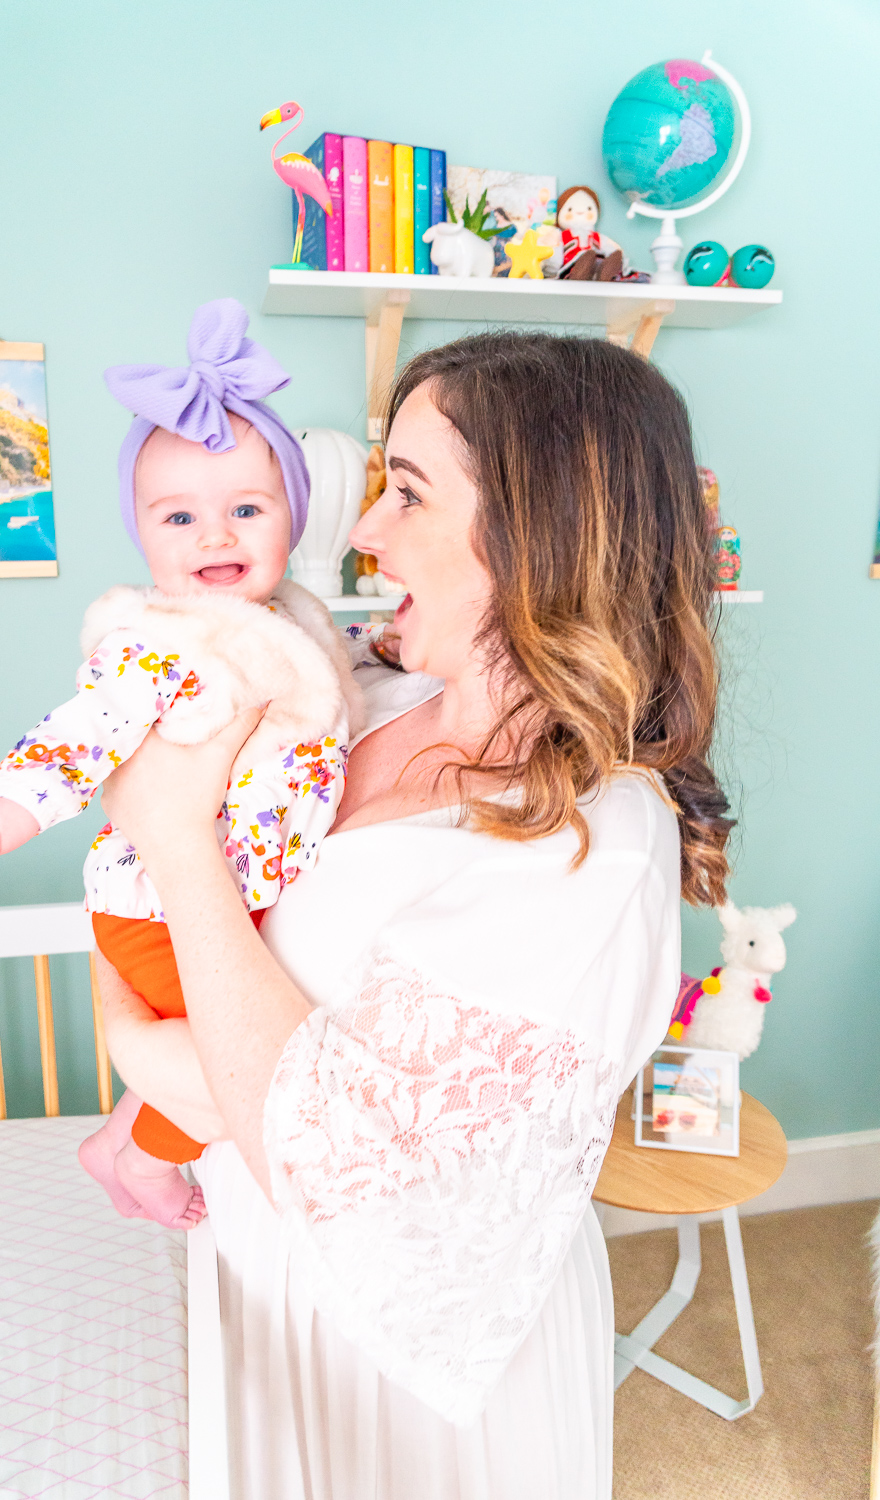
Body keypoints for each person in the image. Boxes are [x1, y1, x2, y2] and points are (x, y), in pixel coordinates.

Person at [95, 331, 732, 1499]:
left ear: (538, 529)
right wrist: (156, 1026)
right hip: (257, 1273)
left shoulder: (593, 839)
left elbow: (339, 1156)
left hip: (393, 1352)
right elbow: (133, 885)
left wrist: (171, 871)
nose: (361, 530)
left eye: (407, 491)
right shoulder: (359, 689)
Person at [0, 299, 362, 1233]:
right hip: (159, 908)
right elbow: (81, 738)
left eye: (246, 509)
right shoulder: (159, 645)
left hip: (228, 903)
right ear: (143, 532)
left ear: (292, 518)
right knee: (222, 1069)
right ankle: (144, 1159)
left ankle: (115, 1137)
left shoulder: (301, 626)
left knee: (219, 1038)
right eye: (180, 516)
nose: (216, 536)